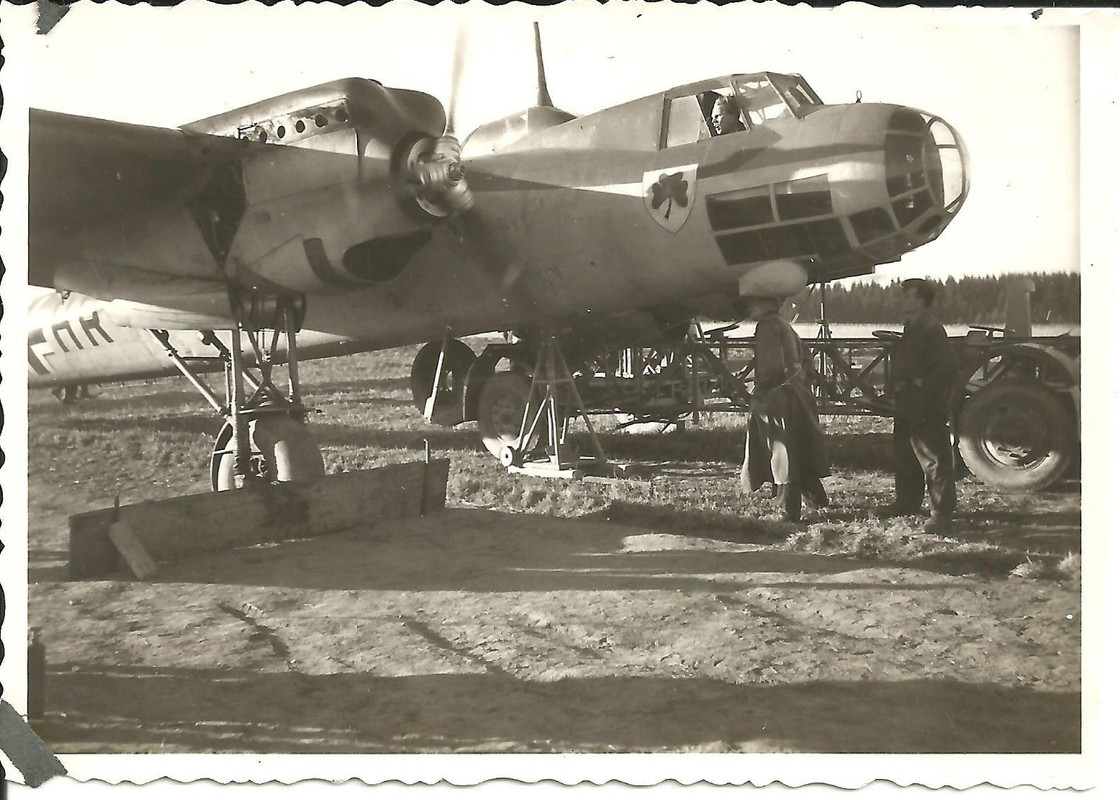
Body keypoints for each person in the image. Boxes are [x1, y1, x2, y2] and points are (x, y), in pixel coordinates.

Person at [740, 296, 830, 522]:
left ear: (768, 302)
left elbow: (770, 366)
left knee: (782, 451)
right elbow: (804, 358)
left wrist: (761, 394)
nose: (750, 306)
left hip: (777, 395)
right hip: (795, 392)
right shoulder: (784, 324)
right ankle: (816, 498)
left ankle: (787, 510)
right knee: (798, 445)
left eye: (753, 302)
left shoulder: (767, 326)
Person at [881, 278, 959, 533]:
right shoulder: (912, 327)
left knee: (933, 458)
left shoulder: (931, 329)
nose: (902, 301)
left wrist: (921, 385)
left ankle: (941, 513)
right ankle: (906, 504)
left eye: (907, 296)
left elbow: (947, 368)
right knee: (906, 456)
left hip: (924, 403)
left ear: (920, 301)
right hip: (907, 402)